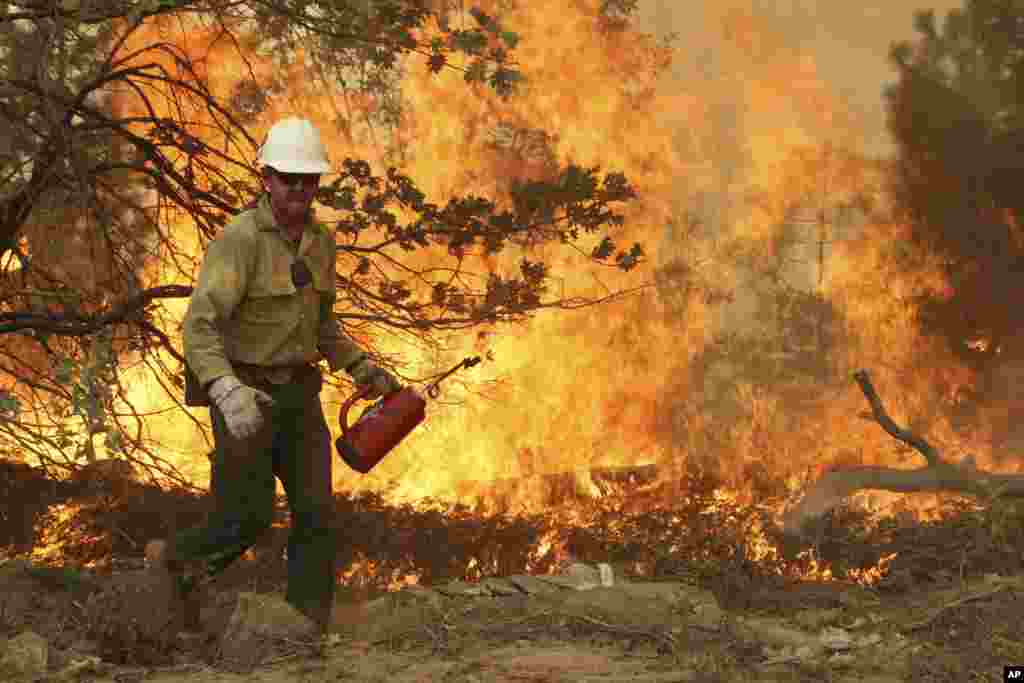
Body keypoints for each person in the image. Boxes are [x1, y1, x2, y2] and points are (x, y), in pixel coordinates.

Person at [147, 117, 401, 633]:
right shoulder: (239, 241)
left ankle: (305, 628)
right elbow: (199, 327)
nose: (301, 191)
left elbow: (322, 324)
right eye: (290, 179)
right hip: (247, 394)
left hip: (300, 395)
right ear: (266, 178)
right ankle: (170, 566)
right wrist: (225, 390)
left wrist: (362, 367)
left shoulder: (322, 241)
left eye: (310, 181)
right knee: (246, 517)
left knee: (316, 515)